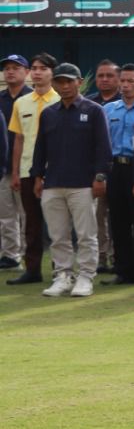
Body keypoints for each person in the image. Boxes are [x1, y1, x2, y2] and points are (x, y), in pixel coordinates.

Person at [30, 63, 111, 298]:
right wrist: (38, 177)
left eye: (69, 81)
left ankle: (86, 276)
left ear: (79, 82)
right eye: (60, 82)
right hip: (53, 183)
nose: (64, 86)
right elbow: (40, 148)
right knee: (58, 236)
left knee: (86, 235)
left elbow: (103, 148)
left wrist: (100, 177)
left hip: (83, 184)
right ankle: (63, 276)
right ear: (54, 84)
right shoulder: (49, 113)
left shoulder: (94, 110)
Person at [6, 53, 61, 286]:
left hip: (55, 171)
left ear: (53, 73)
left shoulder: (60, 100)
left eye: (43, 68)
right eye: (35, 68)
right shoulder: (21, 103)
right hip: (27, 170)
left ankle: (60, 269)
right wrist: (15, 172)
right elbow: (18, 139)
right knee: (32, 223)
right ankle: (32, 270)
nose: (38, 72)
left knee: (58, 224)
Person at [103, 64, 134, 286]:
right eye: (122, 80)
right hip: (115, 169)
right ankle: (121, 270)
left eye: (131, 81)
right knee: (118, 221)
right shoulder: (108, 109)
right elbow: (102, 143)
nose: (125, 85)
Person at [88, 60, 119, 273]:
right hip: (95, 169)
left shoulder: (126, 101)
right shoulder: (88, 103)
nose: (105, 79)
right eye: (101, 76)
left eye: (109, 75)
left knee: (119, 216)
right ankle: (100, 258)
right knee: (97, 216)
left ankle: (118, 257)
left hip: (120, 168)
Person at [0, 54, 29, 271]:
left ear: (26, 72)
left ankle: (30, 256)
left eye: (15, 68)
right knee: (5, 214)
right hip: (3, 167)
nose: (10, 72)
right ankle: (10, 256)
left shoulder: (32, 98)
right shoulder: (0, 98)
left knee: (27, 214)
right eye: (7, 68)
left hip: (26, 166)